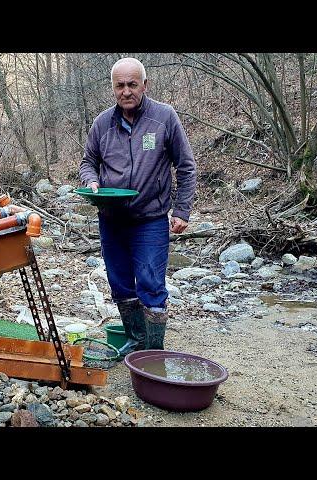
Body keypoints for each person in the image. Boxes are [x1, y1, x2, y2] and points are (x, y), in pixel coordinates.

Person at [79, 57, 197, 355]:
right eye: (120, 85)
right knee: (119, 283)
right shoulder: (101, 124)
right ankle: (135, 343)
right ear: (113, 88)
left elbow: (186, 166)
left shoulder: (164, 117)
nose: (126, 91)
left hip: (150, 219)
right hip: (111, 218)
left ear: (145, 85)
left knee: (151, 284)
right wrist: (91, 181)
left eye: (133, 84)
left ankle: (153, 351)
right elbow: (88, 163)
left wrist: (182, 210)